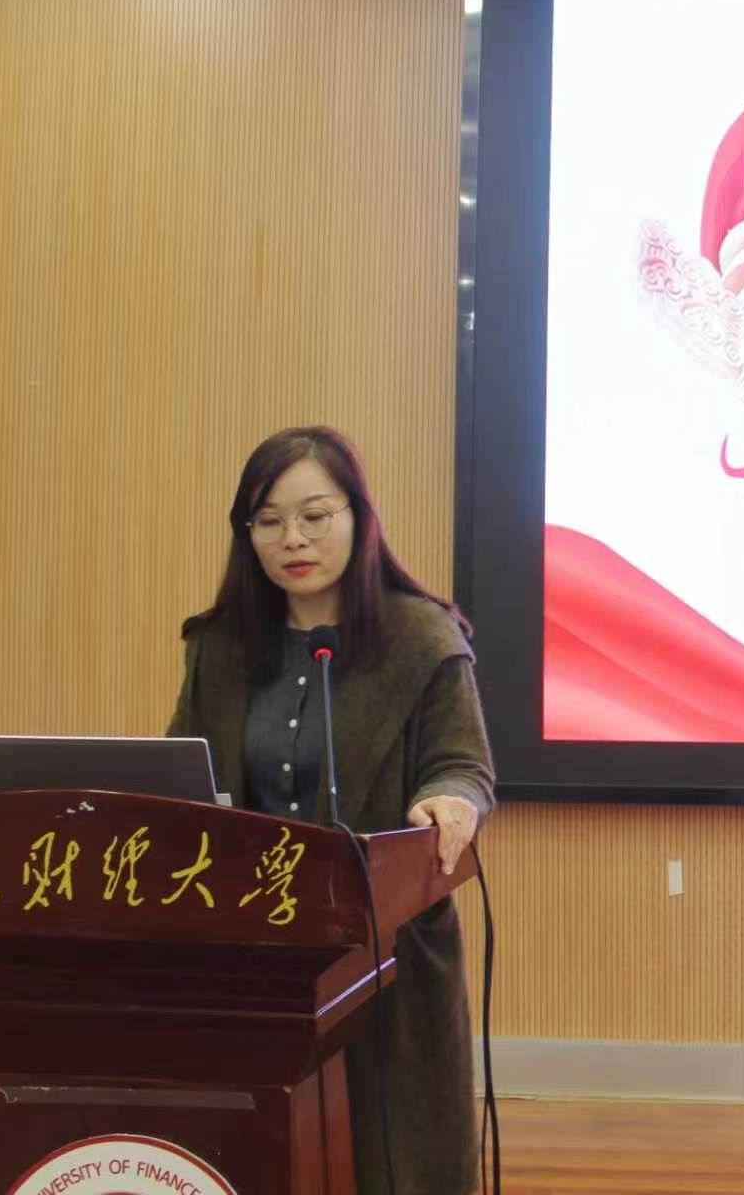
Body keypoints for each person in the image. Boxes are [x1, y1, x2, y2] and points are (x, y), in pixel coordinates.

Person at [167, 425, 493, 1195]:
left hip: (383, 943)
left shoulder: (421, 638)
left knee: (388, 1156)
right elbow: (184, 774)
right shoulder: (220, 647)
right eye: (269, 521)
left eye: (315, 516)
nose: (293, 539)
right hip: (252, 948)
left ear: (359, 517)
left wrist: (449, 801)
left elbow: (462, 766)